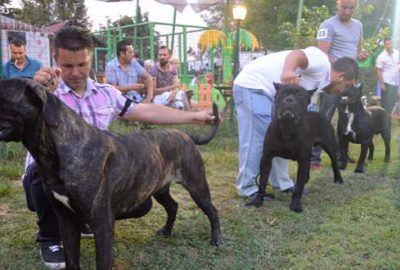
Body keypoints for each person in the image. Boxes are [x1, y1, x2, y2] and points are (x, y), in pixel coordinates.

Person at [25, 26, 216, 269]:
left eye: (82, 65)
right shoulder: (46, 94)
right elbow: (23, 113)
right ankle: (50, 238)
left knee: (142, 201)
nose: (75, 73)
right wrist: (35, 90)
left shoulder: (107, 94)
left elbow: (146, 111)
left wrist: (193, 117)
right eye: (68, 65)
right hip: (54, 173)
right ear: (55, 58)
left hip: (93, 175)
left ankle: (86, 220)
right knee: (39, 178)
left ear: (91, 57)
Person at [232, 46, 359, 200]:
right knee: (258, 137)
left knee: (280, 137)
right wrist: (288, 71)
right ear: (340, 76)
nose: (342, 91)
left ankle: (282, 183)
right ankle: (247, 188)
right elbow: (297, 54)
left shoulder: (319, 85)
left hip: (270, 93)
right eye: (346, 86)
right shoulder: (322, 62)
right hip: (254, 85)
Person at [311, 0, 368, 169]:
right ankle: (314, 157)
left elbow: (357, 50)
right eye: (344, 7)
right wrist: (339, 71)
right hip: (333, 81)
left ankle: (340, 154)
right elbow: (322, 54)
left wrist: (361, 55)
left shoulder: (358, 25)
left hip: (350, 82)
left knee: (347, 118)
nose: (348, 11)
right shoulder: (327, 25)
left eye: (352, 8)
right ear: (338, 4)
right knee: (324, 117)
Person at [150, 46, 190, 110]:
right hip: (158, 98)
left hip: (172, 95)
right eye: (160, 55)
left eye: (164, 55)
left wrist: (173, 93)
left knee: (180, 103)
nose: (162, 57)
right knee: (181, 95)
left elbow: (177, 86)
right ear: (158, 56)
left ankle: (188, 116)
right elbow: (154, 91)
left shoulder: (173, 69)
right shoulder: (154, 70)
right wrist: (171, 87)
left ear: (169, 56)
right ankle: (190, 115)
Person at [376, 37, 399, 114]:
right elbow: (378, 70)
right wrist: (381, 84)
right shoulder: (381, 57)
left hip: (395, 83)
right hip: (387, 82)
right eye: (387, 44)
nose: (389, 45)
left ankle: (387, 120)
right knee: (386, 105)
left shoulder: (397, 53)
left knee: (392, 103)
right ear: (385, 45)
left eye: (390, 43)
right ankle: (384, 122)